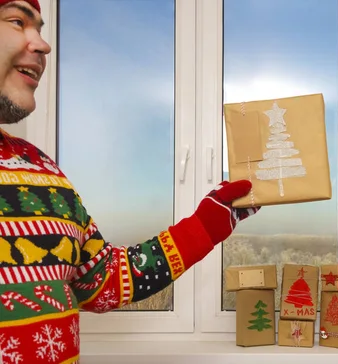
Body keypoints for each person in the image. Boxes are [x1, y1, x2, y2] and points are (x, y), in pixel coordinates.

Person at [0, 1, 259, 362]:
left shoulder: (37, 168)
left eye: (40, 29)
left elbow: (101, 280)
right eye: (17, 21)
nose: (43, 45)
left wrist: (205, 225)